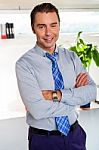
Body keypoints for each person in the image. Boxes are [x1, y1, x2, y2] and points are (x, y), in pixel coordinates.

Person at [15, 3, 96, 150]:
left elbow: (92, 92)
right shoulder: (24, 64)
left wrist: (57, 95)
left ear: (59, 26)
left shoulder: (72, 57)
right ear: (33, 28)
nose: (48, 33)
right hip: (44, 140)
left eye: (53, 25)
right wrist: (75, 97)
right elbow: (37, 110)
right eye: (41, 26)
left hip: (75, 135)